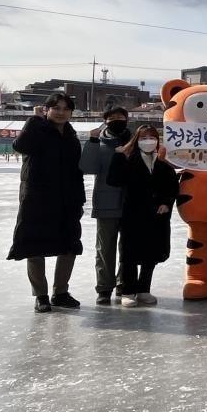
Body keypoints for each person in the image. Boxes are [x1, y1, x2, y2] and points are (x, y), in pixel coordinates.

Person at [8, 93, 86, 313]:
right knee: (34, 246)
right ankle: (41, 295)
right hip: (37, 199)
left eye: (65, 108)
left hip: (67, 199)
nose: (60, 112)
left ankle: (60, 292)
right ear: (46, 109)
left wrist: (79, 199)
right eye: (56, 108)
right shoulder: (37, 129)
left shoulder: (71, 136)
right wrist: (34, 121)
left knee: (69, 245)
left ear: (71, 112)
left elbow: (75, 171)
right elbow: (20, 145)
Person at [106, 125, 178, 307]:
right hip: (133, 214)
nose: (149, 141)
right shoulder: (129, 159)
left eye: (152, 137)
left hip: (156, 216)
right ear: (137, 139)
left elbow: (171, 187)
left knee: (151, 253)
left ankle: (144, 289)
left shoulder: (163, 162)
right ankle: (128, 291)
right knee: (129, 254)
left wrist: (166, 203)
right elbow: (113, 180)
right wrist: (119, 156)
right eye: (144, 138)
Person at [79, 106, 133, 304]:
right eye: (111, 117)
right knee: (105, 248)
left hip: (131, 203)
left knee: (128, 248)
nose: (116, 120)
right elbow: (87, 167)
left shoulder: (135, 142)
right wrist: (92, 141)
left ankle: (124, 283)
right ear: (105, 120)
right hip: (106, 202)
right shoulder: (98, 143)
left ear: (127, 119)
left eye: (120, 116)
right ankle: (104, 288)